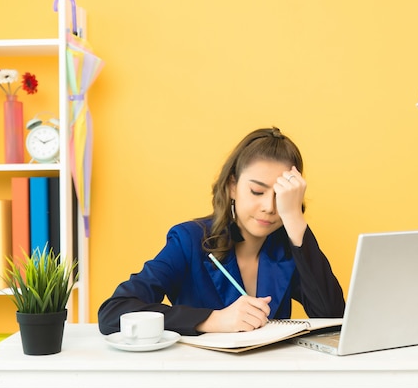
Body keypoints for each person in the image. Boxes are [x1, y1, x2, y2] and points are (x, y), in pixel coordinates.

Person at [98, 127, 345, 336]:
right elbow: (114, 313)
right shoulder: (189, 241)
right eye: (257, 192)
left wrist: (293, 217)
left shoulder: (290, 245)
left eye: (281, 196)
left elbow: (333, 318)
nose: (269, 208)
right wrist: (212, 320)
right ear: (232, 187)